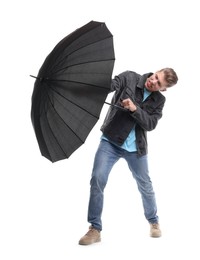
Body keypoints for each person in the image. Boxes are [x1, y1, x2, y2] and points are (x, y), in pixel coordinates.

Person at [78, 68, 178, 245]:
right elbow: (111, 84)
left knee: (145, 185)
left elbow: (150, 124)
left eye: (159, 83)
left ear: (163, 89)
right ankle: (95, 228)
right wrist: (89, 84)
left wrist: (134, 108)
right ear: (155, 72)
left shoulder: (159, 101)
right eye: (155, 77)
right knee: (97, 179)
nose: (153, 82)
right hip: (110, 141)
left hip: (136, 149)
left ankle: (153, 221)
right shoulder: (130, 77)